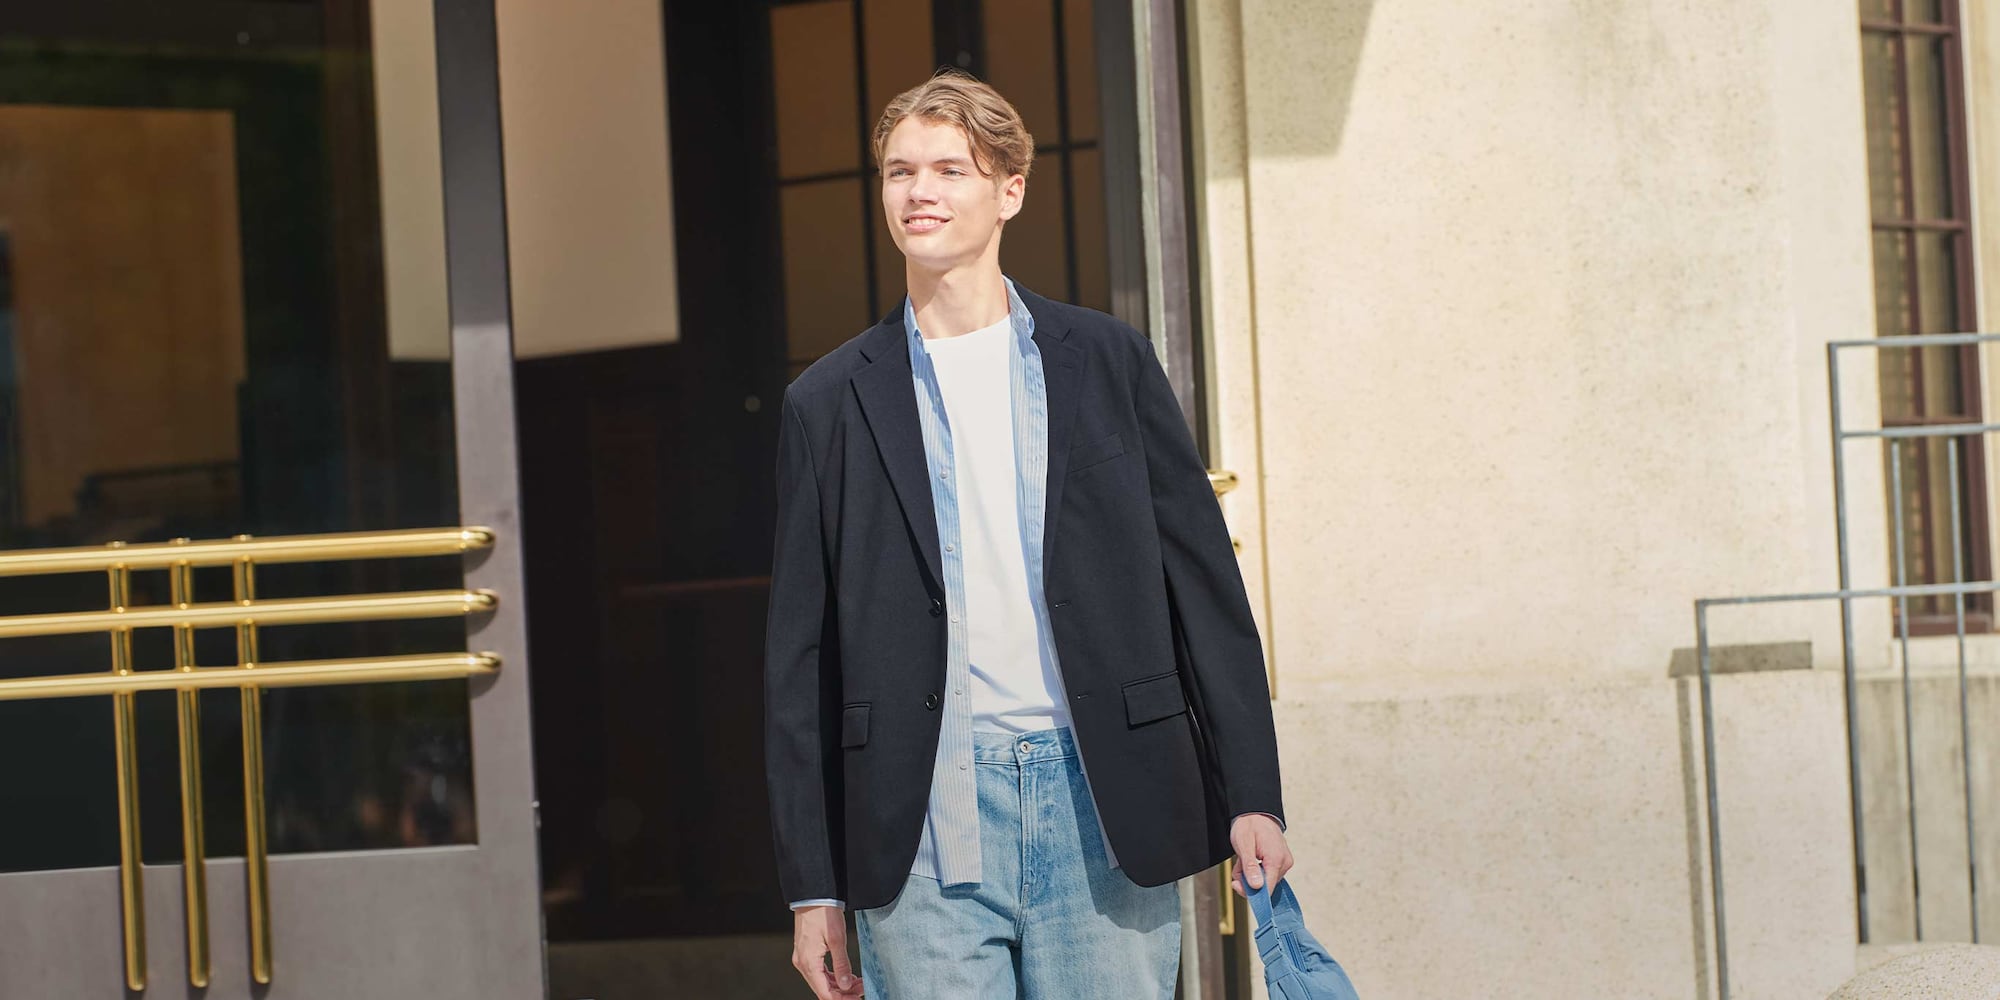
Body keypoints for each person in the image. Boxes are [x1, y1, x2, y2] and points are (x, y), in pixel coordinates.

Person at [765, 69, 1290, 1000]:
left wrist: (1252, 791)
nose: (919, 191)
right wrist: (813, 888)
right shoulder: (827, 402)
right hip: (921, 817)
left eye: (949, 170)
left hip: (1102, 799)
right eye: (899, 172)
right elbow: (798, 662)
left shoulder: (1110, 361)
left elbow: (1203, 588)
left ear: (1010, 191)